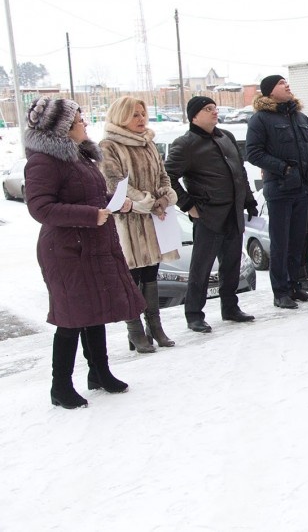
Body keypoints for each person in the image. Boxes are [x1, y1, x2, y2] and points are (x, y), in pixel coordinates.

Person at [24, 97, 145, 408]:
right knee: (71, 317)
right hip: (65, 251)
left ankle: (100, 373)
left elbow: (90, 194)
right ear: (62, 127)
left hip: (92, 244)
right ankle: (60, 386)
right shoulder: (43, 161)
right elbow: (40, 207)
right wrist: (90, 215)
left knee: (95, 310)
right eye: (79, 120)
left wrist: (115, 200)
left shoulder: (79, 157)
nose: (85, 123)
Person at [165, 96, 258, 333]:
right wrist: (188, 205)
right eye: (208, 109)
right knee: (202, 267)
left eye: (215, 108)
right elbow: (167, 178)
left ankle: (230, 307)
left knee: (231, 264)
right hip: (208, 215)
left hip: (233, 212)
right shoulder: (185, 143)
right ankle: (194, 314)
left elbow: (240, 173)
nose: (215, 112)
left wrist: (248, 200)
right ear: (194, 115)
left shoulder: (225, 136)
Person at [99, 96, 180, 353]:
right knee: (131, 277)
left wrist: (164, 196)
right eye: (135, 114)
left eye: (143, 114)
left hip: (154, 220)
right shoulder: (109, 146)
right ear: (121, 116)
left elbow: (163, 174)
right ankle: (134, 331)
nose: (141, 119)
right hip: (128, 220)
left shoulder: (148, 142)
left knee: (151, 274)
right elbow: (113, 183)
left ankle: (154, 326)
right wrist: (145, 201)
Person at [245, 75, 308, 309]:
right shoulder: (261, 119)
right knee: (280, 242)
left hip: (302, 188)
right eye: (280, 83)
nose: (287, 85)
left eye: (287, 82)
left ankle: (296, 286)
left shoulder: (300, 117)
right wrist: (283, 168)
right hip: (279, 188)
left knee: (298, 240)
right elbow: (253, 153)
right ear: (269, 92)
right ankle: (280, 291)